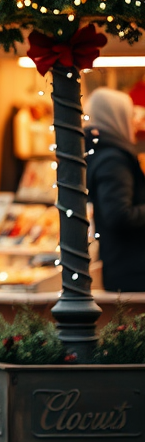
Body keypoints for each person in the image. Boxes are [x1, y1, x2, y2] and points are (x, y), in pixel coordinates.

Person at [85, 87, 145, 292]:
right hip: (132, 269)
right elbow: (119, 214)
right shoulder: (113, 159)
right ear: (117, 117)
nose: (134, 121)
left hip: (124, 266)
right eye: (130, 115)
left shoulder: (105, 152)